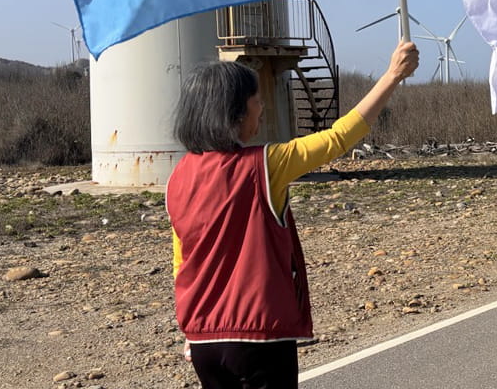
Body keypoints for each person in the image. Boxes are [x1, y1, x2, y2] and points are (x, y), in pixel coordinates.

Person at [167, 40, 419, 388]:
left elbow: (183, 262)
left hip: (202, 340)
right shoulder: (266, 164)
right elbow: (338, 137)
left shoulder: (178, 177)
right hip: (259, 336)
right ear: (235, 112)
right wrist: (392, 76)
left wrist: (191, 331)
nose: (263, 107)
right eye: (257, 100)